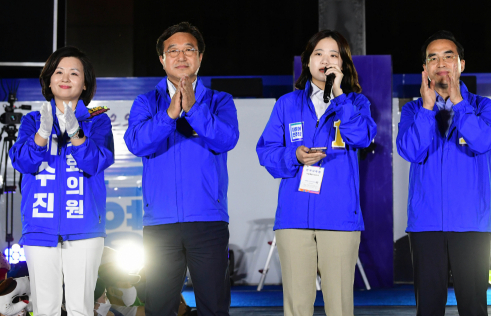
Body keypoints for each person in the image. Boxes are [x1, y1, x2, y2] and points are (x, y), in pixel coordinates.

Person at [256, 30, 376, 316]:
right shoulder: (287, 104)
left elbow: (361, 137)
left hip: (339, 216)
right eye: (318, 54)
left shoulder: (357, 103)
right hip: (294, 217)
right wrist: (293, 156)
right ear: (307, 62)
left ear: (343, 64)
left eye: (333, 55)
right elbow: (266, 152)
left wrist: (339, 95)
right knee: (297, 306)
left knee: (339, 306)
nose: (325, 60)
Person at [124, 22, 239, 316]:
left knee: (214, 306)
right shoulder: (146, 102)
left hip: (208, 220)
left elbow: (227, 138)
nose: (181, 56)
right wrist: (170, 114)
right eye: (172, 51)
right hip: (160, 223)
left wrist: (194, 109)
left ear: (200, 58)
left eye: (189, 49)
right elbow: (136, 143)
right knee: (159, 307)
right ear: (162, 60)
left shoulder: (219, 100)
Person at [396, 30, 491, 316]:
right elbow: (410, 151)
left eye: (448, 56)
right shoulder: (413, 110)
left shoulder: (483, 107)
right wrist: (428, 109)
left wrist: (458, 102)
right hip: (426, 225)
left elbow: (482, 142)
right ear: (425, 69)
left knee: (474, 307)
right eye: (433, 58)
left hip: (471, 224)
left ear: (461, 64)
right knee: (428, 308)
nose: (440, 63)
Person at [9, 46, 115, 316]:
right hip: (39, 228)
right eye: (59, 71)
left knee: (81, 308)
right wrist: (43, 133)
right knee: (45, 309)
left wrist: (76, 131)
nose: (65, 77)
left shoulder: (98, 121)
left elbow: (96, 162)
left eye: (74, 73)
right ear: (49, 79)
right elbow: (23, 162)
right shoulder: (33, 121)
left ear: (85, 83)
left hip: (84, 229)